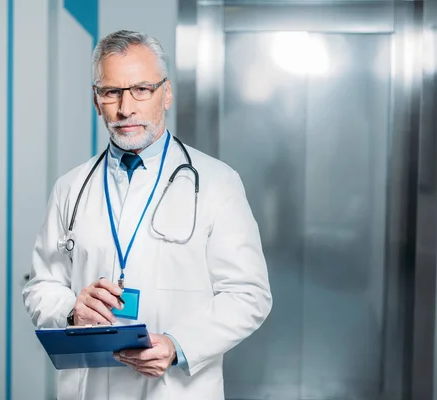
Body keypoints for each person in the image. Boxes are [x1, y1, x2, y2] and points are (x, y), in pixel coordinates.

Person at [22, 29, 272, 400]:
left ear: (166, 93)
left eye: (141, 89)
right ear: (96, 100)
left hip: (176, 389)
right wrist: (72, 310)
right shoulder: (70, 188)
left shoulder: (218, 183)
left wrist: (178, 346)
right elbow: (41, 286)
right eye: (111, 92)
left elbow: (249, 294)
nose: (126, 108)